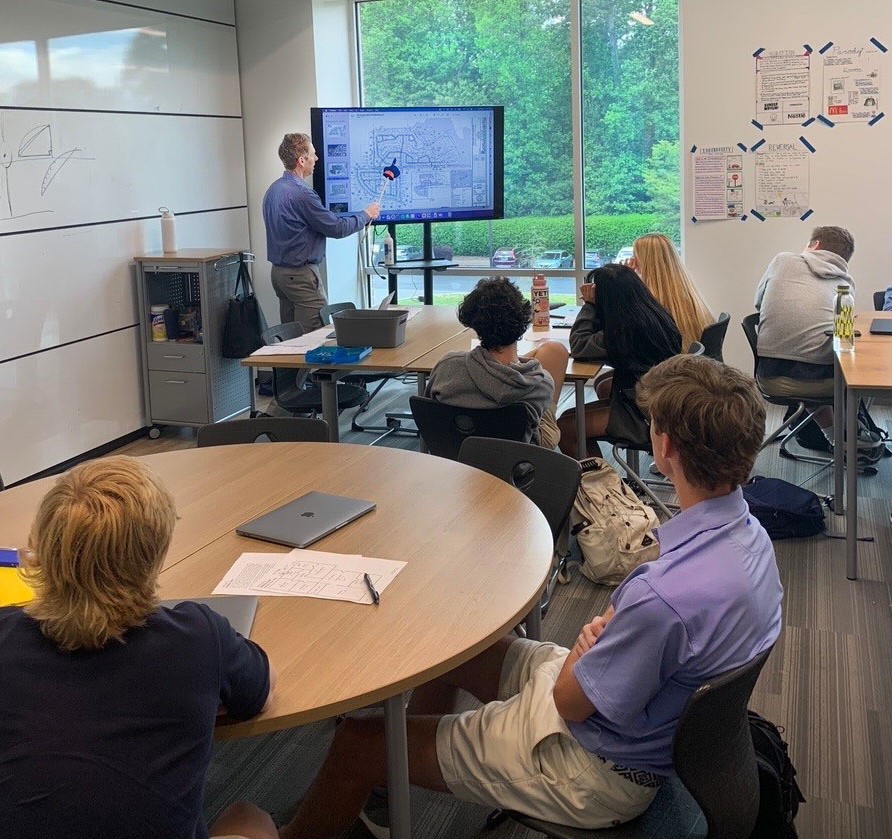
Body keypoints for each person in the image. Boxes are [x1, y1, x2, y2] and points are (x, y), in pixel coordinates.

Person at [276, 353, 783, 839]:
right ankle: (397, 771)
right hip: (647, 725)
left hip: (595, 767)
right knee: (456, 649)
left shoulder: (661, 598)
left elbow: (570, 700)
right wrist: (596, 643)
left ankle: (372, 771)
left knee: (355, 742)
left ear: (665, 447)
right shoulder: (751, 539)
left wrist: (584, 650)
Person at [0, 456, 277, 839]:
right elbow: (260, 692)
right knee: (251, 818)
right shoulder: (198, 636)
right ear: (156, 555)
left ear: (42, 550)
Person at [425, 276, 568, 448]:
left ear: (473, 322)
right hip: (518, 466)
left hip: (458, 461)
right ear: (524, 319)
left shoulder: (447, 366)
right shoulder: (539, 383)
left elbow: (429, 410)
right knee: (549, 420)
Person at [557, 263, 681, 457]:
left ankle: (602, 486)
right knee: (573, 414)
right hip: (659, 402)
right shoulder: (651, 315)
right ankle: (601, 478)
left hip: (646, 415)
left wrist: (589, 306)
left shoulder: (625, 332)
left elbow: (580, 346)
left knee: (565, 428)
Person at [262, 132, 381, 331]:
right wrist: (366, 215)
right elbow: (337, 228)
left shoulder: (273, 190)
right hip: (300, 276)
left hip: (279, 274)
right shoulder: (302, 194)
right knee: (314, 336)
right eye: (313, 154)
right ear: (301, 160)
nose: (317, 158)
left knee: (291, 340)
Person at [754, 225, 854, 442]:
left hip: (770, 376)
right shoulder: (846, 285)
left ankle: (835, 437)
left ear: (815, 244)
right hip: (823, 382)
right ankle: (845, 438)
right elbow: (844, 334)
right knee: (851, 370)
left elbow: (758, 303)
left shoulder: (782, 260)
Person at [626, 232, 713, 350]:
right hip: (690, 363)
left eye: (634, 256)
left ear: (643, 262)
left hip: (667, 366)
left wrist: (626, 279)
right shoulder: (687, 294)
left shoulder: (649, 304)